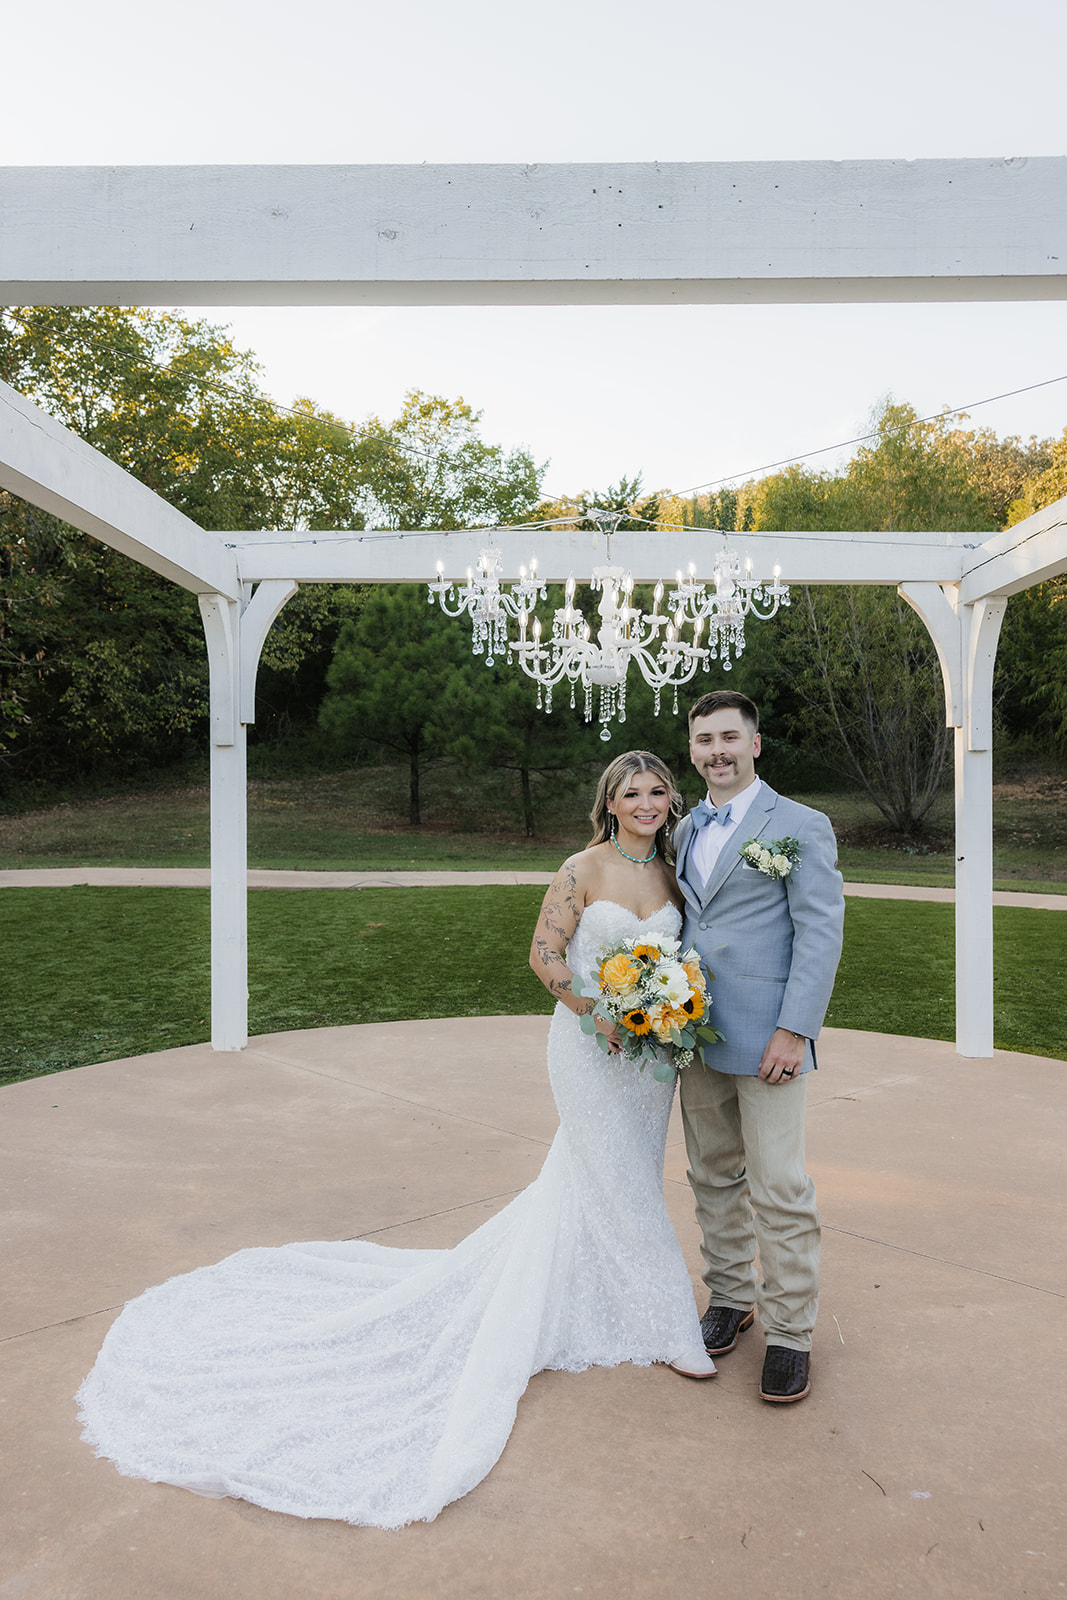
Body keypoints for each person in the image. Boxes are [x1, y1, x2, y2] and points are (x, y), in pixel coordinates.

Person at [76, 750, 714, 1532]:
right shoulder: (578, 869)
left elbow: (683, 955)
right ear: (608, 803)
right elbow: (542, 955)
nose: (645, 803)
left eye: (656, 791)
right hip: (588, 1050)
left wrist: (667, 1006)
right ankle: (669, 1328)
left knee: (624, 1178)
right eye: (630, 793)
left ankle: (597, 1298)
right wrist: (595, 1010)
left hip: (648, 1062)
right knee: (607, 1174)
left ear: (667, 799)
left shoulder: (677, 870)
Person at [673, 690, 844, 1404]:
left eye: (728, 738)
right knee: (711, 1173)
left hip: (769, 1033)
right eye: (703, 740)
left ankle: (789, 1333)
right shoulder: (682, 828)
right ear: (691, 751)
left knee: (778, 1186)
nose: (716, 751)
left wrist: (795, 1027)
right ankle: (730, 1297)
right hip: (692, 1032)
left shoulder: (800, 825)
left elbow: (820, 932)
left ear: (755, 744)